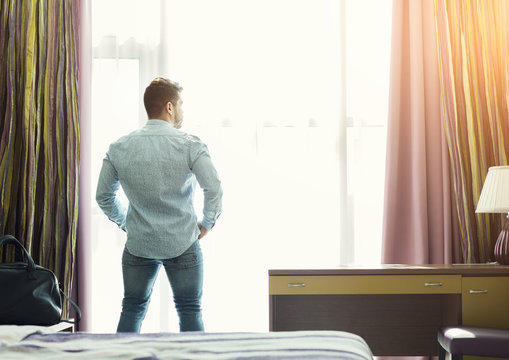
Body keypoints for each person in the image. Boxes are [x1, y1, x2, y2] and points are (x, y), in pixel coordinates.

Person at [96, 77, 222, 333]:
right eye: (181, 105)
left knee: (132, 308)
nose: (182, 111)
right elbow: (214, 188)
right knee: (189, 309)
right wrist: (207, 223)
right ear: (169, 107)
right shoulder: (190, 144)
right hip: (183, 242)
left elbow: (103, 196)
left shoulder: (120, 147)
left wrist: (126, 223)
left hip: (139, 243)